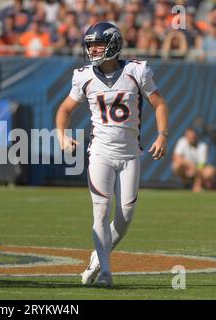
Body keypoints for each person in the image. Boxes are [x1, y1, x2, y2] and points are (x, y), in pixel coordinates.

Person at [55, 22, 169, 287]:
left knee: (126, 216)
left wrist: (163, 135)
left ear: (114, 44)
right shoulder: (83, 76)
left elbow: (160, 103)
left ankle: (98, 257)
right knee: (101, 212)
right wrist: (62, 135)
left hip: (130, 155)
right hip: (101, 153)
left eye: (98, 44)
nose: (92, 49)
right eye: (90, 44)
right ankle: (105, 271)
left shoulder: (136, 70)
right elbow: (64, 110)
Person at [172, 127, 215, 192]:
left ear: (196, 136)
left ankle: (202, 184)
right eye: (189, 136)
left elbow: (201, 166)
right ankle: (185, 183)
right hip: (187, 169)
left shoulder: (203, 146)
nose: (191, 138)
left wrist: (197, 185)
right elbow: (176, 157)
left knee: (210, 171)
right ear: (186, 136)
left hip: (198, 170)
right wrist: (190, 165)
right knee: (176, 165)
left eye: (193, 136)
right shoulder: (182, 141)